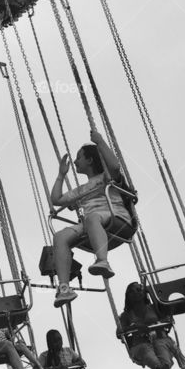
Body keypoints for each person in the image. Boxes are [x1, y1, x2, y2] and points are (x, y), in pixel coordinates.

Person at [49, 127, 132, 306]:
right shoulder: (82, 189)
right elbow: (56, 200)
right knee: (60, 236)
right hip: (91, 223)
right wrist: (61, 175)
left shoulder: (105, 176)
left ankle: (103, 261)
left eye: (79, 157)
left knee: (92, 217)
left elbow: (115, 166)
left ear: (90, 159)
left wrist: (100, 141)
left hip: (115, 216)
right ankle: (64, 289)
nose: (76, 161)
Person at [118, 282, 185, 369]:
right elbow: (119, 332)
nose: (137, 292)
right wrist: (135, 327)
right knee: (146, 352)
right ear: (128, 296)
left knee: (164, 354)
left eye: (139, 289)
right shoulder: (126, 316)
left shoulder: (154, 307)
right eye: (133, 291)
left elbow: (168, 314)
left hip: (160, 338)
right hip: (141, 343)